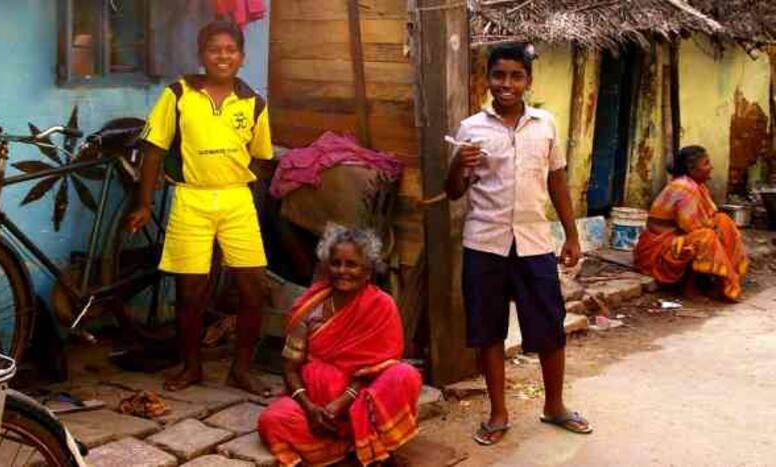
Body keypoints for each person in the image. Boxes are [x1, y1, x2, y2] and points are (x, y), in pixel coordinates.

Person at [445, 43, 593, 446]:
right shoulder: (470, 128)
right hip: (484, 243)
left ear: (528, 80)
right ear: (487, 79)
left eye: (515, 76)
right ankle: (498, 413)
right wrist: (458, 164)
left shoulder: (545, 125)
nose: (506, 84)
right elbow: (453, 191)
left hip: (534, 242)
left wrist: (572, 235)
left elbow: (557, 180)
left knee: (549, 327)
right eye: (498, 75)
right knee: (488, 330)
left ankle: (555, 406)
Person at [126, 20, 273, 395]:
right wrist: (144, 203)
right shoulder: (178, 95)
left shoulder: (254, 103)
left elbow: (260, 157)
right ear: (201, 55)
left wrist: (241, 191)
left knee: (253, 288)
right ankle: (191, 367)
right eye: (214, 50)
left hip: (237, 199)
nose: (223, 56)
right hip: (191, 199)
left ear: (242, 57)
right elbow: (154, 149)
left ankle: (241, 369)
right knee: (190, 291)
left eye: (230, 50)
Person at [258, 225, 422, 467]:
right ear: (327, 266)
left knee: (404, 375)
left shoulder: (381, 306)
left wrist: (341, 403)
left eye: (351, 264)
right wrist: (310, 408)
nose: (342, 271)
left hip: (359, 400)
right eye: (336, 263)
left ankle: (368, 442)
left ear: (368, 270)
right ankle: (352, 447)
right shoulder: (309, 307)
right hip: (316, 403)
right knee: (271, 420)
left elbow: (376, 368)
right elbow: (290, 368)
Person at [634, 145, 748, 301]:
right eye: (706, 163)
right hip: (658, 249)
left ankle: (721, 277)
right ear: (692, 169)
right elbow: (690, 227)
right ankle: (691, 287)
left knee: (723, 221)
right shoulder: (685, 188)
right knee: (705, 237)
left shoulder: (696, 185)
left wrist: (715, 227)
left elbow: (710, 216)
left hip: (675, 238)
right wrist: (713, 229)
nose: (711, 167)